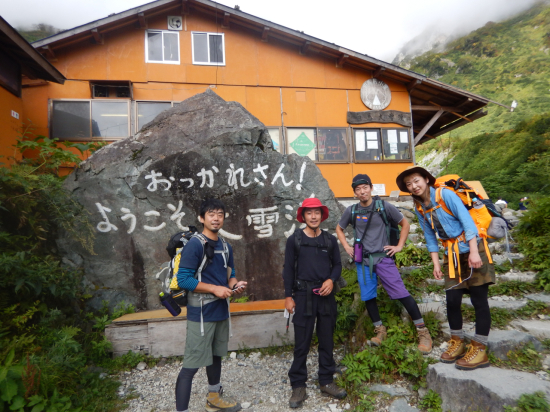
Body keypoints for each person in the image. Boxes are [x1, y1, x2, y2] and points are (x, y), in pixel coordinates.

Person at [397, 166, 495, 370]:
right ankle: (457, 343)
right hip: (450, 254)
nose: (413, 186)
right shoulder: (420, 207)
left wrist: (474, 252)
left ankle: (479, 349)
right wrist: (435, 263)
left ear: (425, 179)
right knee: (452, 300)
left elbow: (467, 221)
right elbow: (430, 236)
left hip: (473, 248)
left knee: (478, 299)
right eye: (409, 184)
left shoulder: (445, 195)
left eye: (416, 181)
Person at [335, 174, 432, 353]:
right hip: (362, 261)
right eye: (358, 189)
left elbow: (405, 224)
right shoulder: (352, 210)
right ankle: (380, 331)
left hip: (383, 257)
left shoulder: (384, 206)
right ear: (354, 192)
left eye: (365, 187)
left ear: (371, 188)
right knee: (368, 296)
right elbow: (339, 229)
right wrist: (347, 246)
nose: (362, 191)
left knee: (401, 293)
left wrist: (399, 246)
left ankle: (423, 332)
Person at [175, 199, 247, 412]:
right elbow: (184, 280)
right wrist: (215, 289)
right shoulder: (195, 245)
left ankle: (213, 399)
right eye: (211, 214)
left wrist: (235, 286)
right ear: (201, 218)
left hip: (220, 311)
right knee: (191, 364)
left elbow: (230, 274)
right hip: (201, 313)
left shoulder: (225, 246)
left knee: (216, 356)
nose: (216, 218)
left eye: (220, 214)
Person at [283, 198, 347, 408]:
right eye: (309, 213)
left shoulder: (329, 240)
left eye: (316, 213)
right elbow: (288, 270)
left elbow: (337, 264)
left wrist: (331, 280)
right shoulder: (295, 240)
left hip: (326, 294)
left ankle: (326, 380)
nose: (313, 216)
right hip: (303, 295)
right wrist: (288, 296)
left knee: (326, 339)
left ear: (322, 215)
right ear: (303, 216)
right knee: (302, 342)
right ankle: (298, 384)